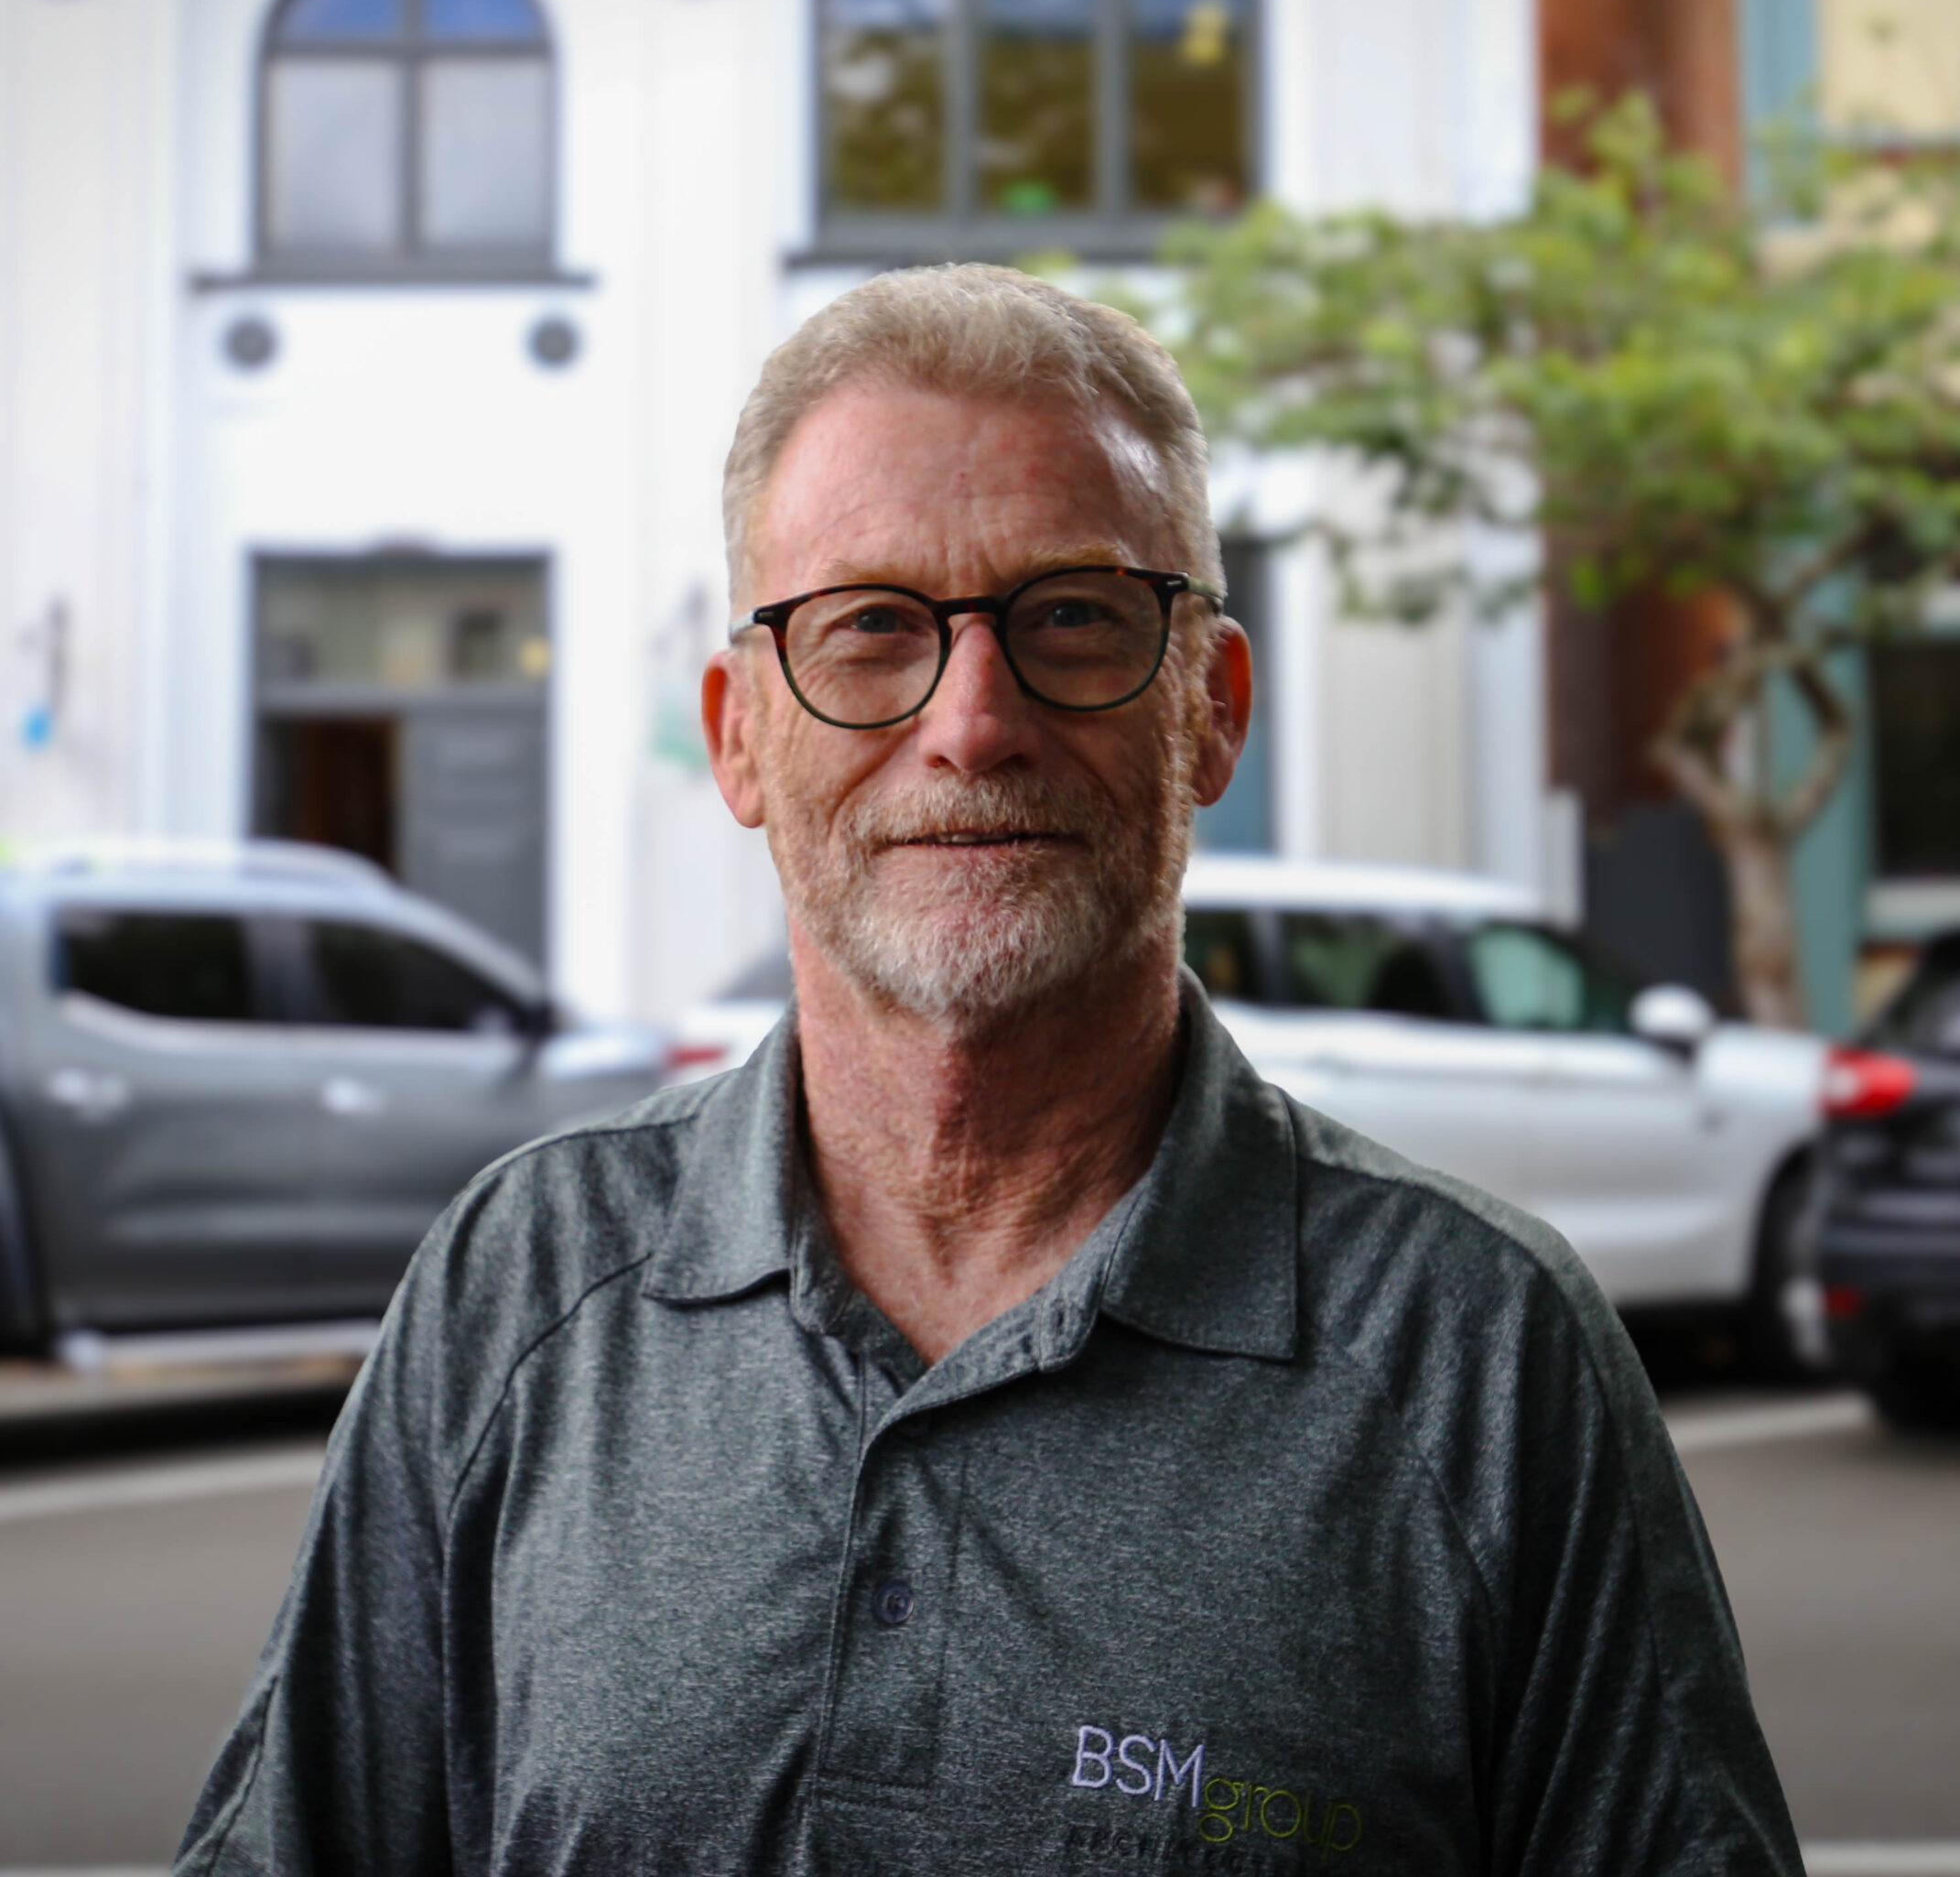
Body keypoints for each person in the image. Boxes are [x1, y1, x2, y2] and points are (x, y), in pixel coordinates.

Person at [177, 266, 1803, 1876]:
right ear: (739, 736)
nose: (972, 722)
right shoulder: (516, 1293)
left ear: (1211, 709)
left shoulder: (1481, 1357)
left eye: (1072, 617)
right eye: (870, 629)